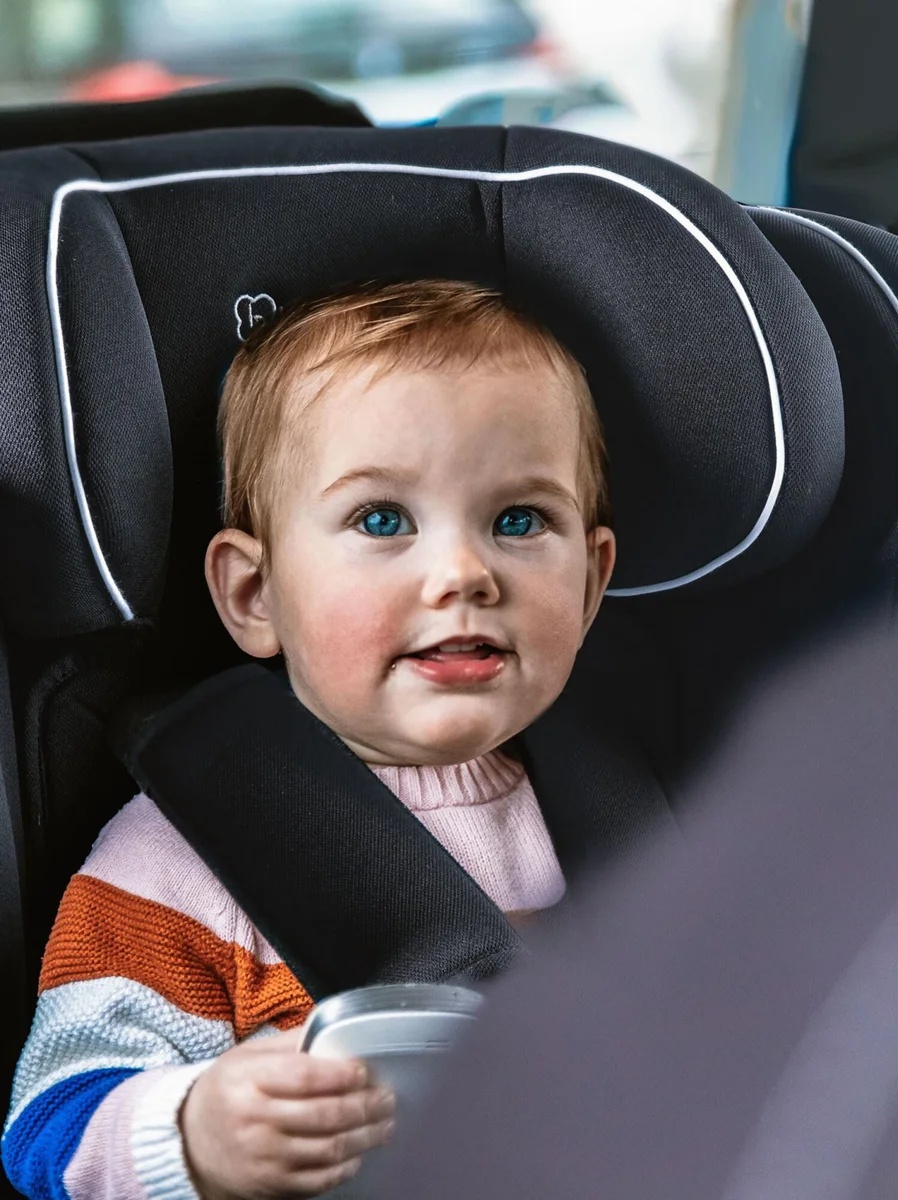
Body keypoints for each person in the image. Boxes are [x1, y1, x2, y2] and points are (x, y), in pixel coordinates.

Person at [2, 280, 618, 1200]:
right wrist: (198, 1133)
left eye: (519, 520)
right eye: (382, 520)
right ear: (254, 595)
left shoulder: (647, 815)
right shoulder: (182, 858)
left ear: (592, 583)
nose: (464, 572)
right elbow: (50, 1125)